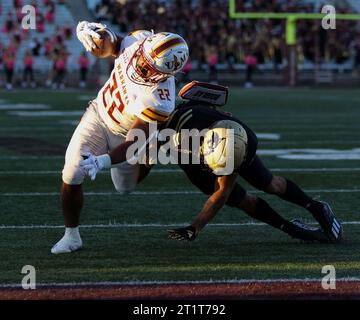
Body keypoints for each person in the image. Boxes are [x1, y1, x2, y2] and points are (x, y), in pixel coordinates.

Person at [51, 21, 189, 254]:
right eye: (144, 58)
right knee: (72, 172)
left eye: (149, 67)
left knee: (124, 187)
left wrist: (102, 161)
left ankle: (150, 153)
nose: (141, 65)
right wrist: (97, 36)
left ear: (168, 74)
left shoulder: (160, 99)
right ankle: (71, 235)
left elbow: (133, 141)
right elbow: (112, 46)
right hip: (98, 116)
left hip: (127, 136)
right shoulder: (139, 41)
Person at [165, 81, 342, 243]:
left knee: (268, 184)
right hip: (191, 147)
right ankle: (290, 228)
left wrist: (194, 227)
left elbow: (221, 193)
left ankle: (315, 207)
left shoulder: (244, 142)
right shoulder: (179, 126)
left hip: (227, 142)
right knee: (240, 200)